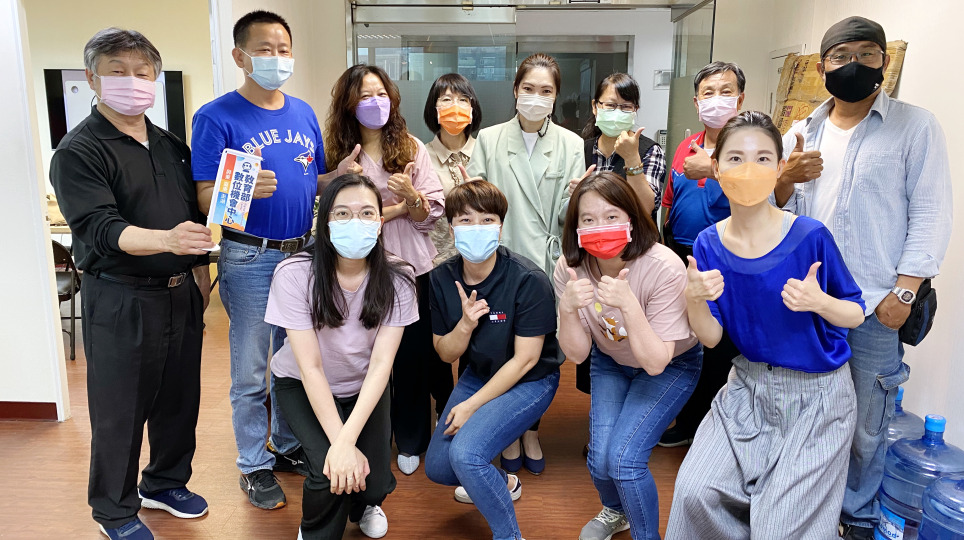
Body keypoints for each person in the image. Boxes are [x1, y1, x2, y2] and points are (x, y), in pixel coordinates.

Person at [773, 17, 953, 540]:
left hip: (875, 304)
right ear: (822, 65)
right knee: (801, 412)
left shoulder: (916, 127)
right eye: (841, 55)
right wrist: (783, 177)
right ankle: (804, 510)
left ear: (884, 61)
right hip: (807, 300)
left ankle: (855, 519)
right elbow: (771, 213)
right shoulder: (800, 132)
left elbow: (931, 213)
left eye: (867, 53)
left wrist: (905, 292)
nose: (854, 64)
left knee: (865, 425)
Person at [666, 111, 866, 539]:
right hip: (747, 389)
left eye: (762, 158)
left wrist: (819, 302)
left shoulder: (810, 235)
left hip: (817, 398)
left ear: (780, 167)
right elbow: (711, 337)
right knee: (694, 493)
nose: (749, 169)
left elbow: (854, 313)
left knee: (777, 527)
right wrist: (693, 298)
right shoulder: (708, 243)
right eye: (735, 158)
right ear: (715, 167)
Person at [192, 10, 361, 511]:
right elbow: (204, 198)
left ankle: (287, 446)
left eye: (283, 49)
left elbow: (310, 182)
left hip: (304, 255)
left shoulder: (303, 113)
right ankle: (253, 464)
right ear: (240, 56)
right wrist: (239, 191)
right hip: (250, 256)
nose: (276, 58)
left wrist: (336, 177)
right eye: (264, 49)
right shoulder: (216, 116)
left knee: (295, 362)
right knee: (251, 371)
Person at [50, 28, 214, 540]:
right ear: (92, 78)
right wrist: (167, 240)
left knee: (179, 400)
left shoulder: (171, 145)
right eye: (118, 71)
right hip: (120, 297)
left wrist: (199, 273)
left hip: (180, 292)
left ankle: (165, 483)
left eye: (143, 72)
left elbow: (195, 218)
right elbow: (100, 229)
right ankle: (115, 510)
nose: (133, 81)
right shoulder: (79, 150)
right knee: (119, 410)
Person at [266, 174, 417, 540]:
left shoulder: (399, 277)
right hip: (302, 383)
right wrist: (342, 445)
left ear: (380, 223)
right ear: (326, 222)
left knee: (373, 479)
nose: (355, 221)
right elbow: (311, 368)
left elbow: (381, 365)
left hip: (364, 383)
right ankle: (314, 531)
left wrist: (347, 441)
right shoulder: (294, 273)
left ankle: (366, 505)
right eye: (343, 213)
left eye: (366, 213)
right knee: (328, 469)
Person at [554, 171, 702, 540]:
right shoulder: (569, 268)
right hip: (611, 361)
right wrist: (567, 310)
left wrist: (629, 305)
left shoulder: (663, 266)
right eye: (588, 220)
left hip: (670, 363)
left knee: (624, 460)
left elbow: (655, 361)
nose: (600, 227)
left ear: (632, 221)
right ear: (575, 228)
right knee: (600, 460)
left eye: (611, 216)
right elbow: (577, 354)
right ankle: (615, 511)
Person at [325, 64, 449, 478]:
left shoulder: (411, 148)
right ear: (348, 104)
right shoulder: (338, 152)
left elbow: (429, 214)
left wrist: (408, 198)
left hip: (409, 267)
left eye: (380, 94)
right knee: (362, 354)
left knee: (412, 356)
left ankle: (411, 437)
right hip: (354, 268)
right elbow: (324, 208)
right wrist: (344, 182)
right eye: (364, 96)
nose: (374, 103)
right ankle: (365, 435)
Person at [466, 52, 586, 474]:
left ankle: (530, 428)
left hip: (545, 265)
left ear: (556, 96)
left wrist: (579, 196)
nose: (536, 97)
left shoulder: (571, 144)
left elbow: (568, 217)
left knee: (540, 352)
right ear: (516, 90)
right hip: (498, 260)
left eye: (546, 90)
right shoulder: (489, 139)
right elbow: (475, 204)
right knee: (499, 348)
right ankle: (509, 430)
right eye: (529, 88)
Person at [425, 181, 561, 540]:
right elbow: (446, 353)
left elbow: (526, 360)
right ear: (451, 228)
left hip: (530, 380)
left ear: (500, 227)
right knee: (438, 467)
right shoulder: (441, 278)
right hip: (479, 374)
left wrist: (471, 405)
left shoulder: (528, 280)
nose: (477, 228)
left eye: (487, 220)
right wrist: (465, 325)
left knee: (466, 456)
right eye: (465, 220)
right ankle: (504, 482)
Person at [657, 61, 746, 448]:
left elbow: (759, 193)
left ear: (740, 99)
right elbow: (670, 199)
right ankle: (688, 420)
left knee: (720, 345)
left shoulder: (747, 148)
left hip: (727, 258)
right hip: (682, 253)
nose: (716, 100)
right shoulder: (685, 146)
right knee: (686, 340)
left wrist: (711, 167)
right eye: (708, 93)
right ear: (696, 102)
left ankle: (716, 431)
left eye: (726, 92)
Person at [573, 72, 665, 399]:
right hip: (591, 259)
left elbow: (647, 206)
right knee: (596, 328)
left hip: (634, 259)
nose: (616, 112)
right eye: (610, 105)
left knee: (635, 328)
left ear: (635, 110)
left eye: (625, 107)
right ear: (595, 107)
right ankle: (604, 402)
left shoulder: (649, 150)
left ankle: (638, 395)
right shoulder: (579, 149)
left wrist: (632, 159)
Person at [422, 73, 483, 265]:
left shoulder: (486, 151)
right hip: (436, 262)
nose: (455, 106)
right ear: (434, 109)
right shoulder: (421, 156)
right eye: (446, 99)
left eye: (463, 100)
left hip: (482, 258)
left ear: (472, 108)